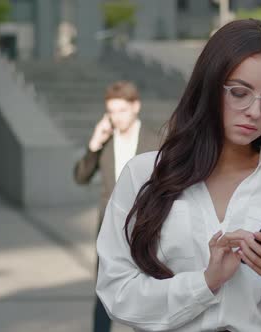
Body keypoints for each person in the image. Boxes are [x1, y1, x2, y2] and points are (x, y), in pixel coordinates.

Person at [96, 19, 261, 332]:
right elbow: (117, 295)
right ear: (208, 86)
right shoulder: (144, 175)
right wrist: (205, 283)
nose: (255, 111)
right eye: (239, 92)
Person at [73, 81, 159, 332]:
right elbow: (80, 177)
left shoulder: (155, 140)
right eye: (111, 111)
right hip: (109, 230)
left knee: (146, 295)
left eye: (121, 110)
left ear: (136, 106)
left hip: (145, 230)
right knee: (104, 295)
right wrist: (94, 145)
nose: (116, 117)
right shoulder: (106, 140)